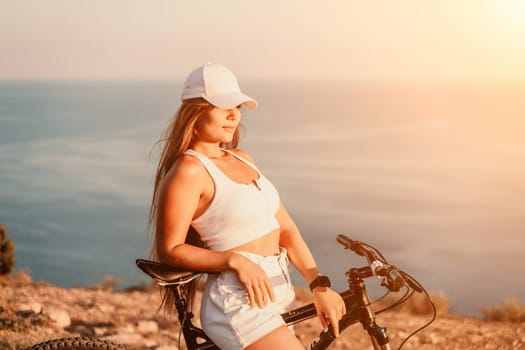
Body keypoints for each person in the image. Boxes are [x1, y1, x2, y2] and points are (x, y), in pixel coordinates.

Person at [149, 63, 345, 350]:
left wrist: (319, 285)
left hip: (275, 295)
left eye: (237, 106)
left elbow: (286, 229)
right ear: (196, 110)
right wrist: (234, 260)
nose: (233, 115)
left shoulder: (243, 158)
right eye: (223, 106)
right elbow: (170, 249)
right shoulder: (189, 171)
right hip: (238, 303)